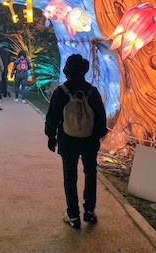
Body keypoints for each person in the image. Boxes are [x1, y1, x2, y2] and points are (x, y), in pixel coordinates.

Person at [45, 54, 107, 229]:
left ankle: (73, 215)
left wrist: (51, 137)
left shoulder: (61, 91)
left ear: (67, 71)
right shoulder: (92, 92)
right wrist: (97, 136)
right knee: (91, 173)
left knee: (69, 177)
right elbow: (101, 119)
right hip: (89, 141)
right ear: (84, 71)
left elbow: (52, 117)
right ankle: (89, 210)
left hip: (67, 139)